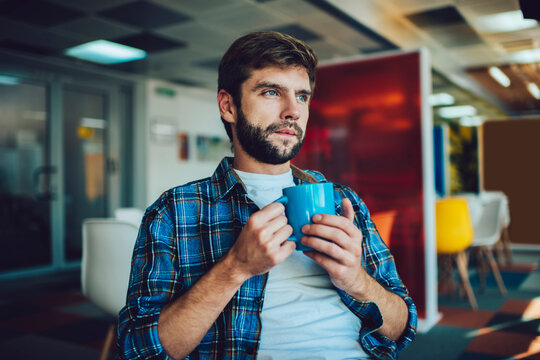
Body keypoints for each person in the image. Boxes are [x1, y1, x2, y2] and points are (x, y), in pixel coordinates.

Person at [118, 31, 417, 360]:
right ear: (228, 106)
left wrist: (356, 279)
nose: (293, 111)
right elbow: (139, 351)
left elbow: (403, 328)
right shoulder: (175, 211)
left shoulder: (343, 201)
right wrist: (235, 268)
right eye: (272, 92)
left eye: (302, 96)